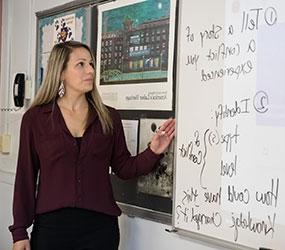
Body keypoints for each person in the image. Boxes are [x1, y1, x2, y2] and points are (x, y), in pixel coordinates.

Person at [9, 41, 175, 250]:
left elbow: (124, 168)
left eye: (92, 64)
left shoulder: (109, 117)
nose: (90, 71)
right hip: (52, 230)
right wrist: (19, 232)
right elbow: (25, 177)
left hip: (100, 231)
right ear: (61, 72)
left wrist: (154, 151)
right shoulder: (36, 119)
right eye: (81, 64)